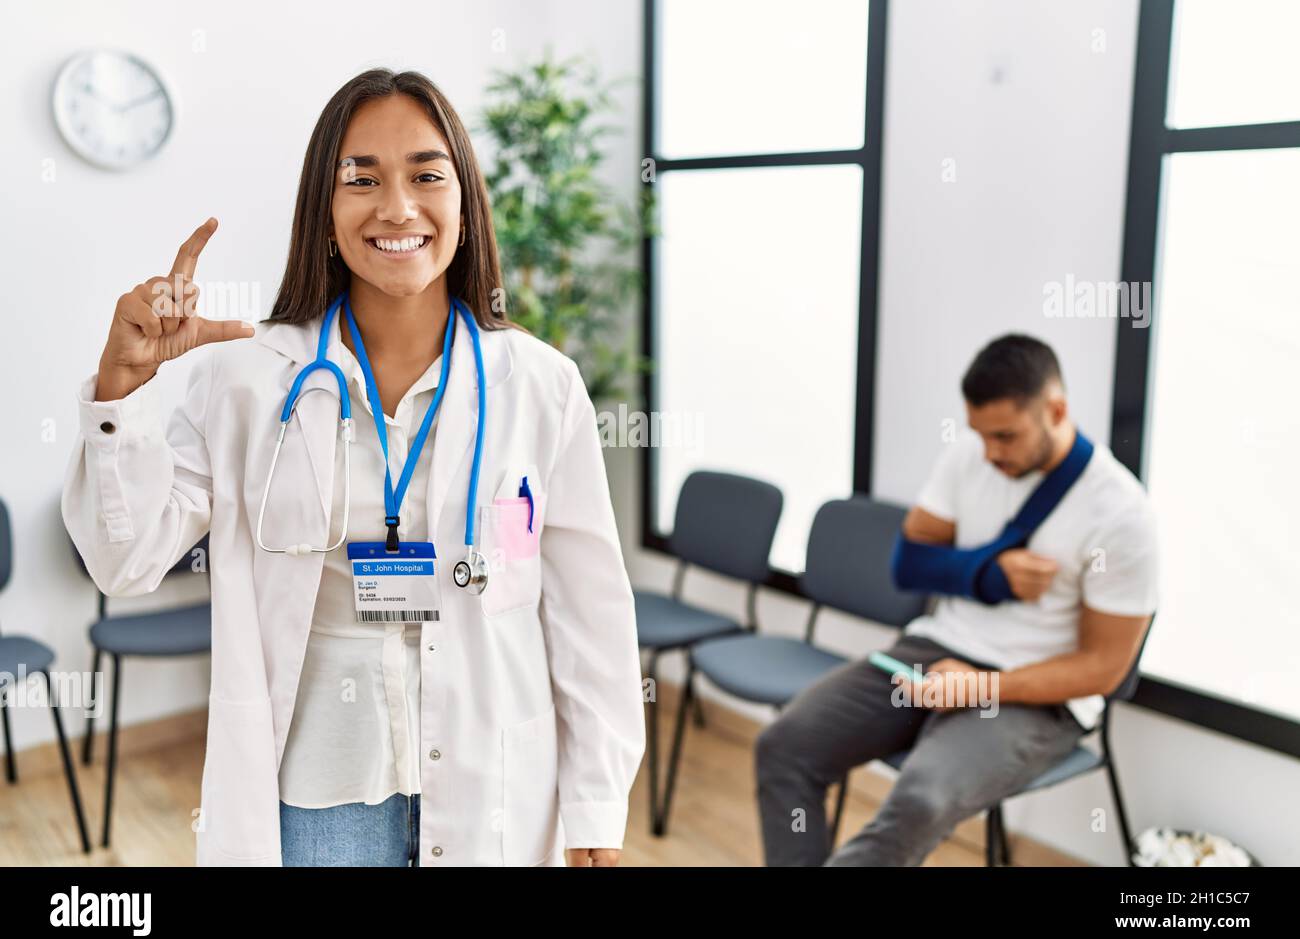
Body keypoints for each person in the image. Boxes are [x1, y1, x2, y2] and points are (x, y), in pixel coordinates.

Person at [61, 69, 644, 867]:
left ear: (466, 204)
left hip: (497, 789)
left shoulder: (540, 385)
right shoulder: (246, 379)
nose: (397, 207)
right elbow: (124, 562)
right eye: (361, 178)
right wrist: (119, 392)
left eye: (426, 175)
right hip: (319, 798)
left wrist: (596, 808)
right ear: (323, 213)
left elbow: (591, 616)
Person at [756, 333, 1157, 866]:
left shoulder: (1122, 515)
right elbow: (910, 564)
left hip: (1034, 693)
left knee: (921, 799)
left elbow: (1104, 669)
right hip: (936, 652)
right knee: (784, 746)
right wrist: (987, 574)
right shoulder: (970, 456)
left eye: (1006, 436)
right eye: (980, 434)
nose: (990, 453)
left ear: (1056, 410)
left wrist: (982, 686)